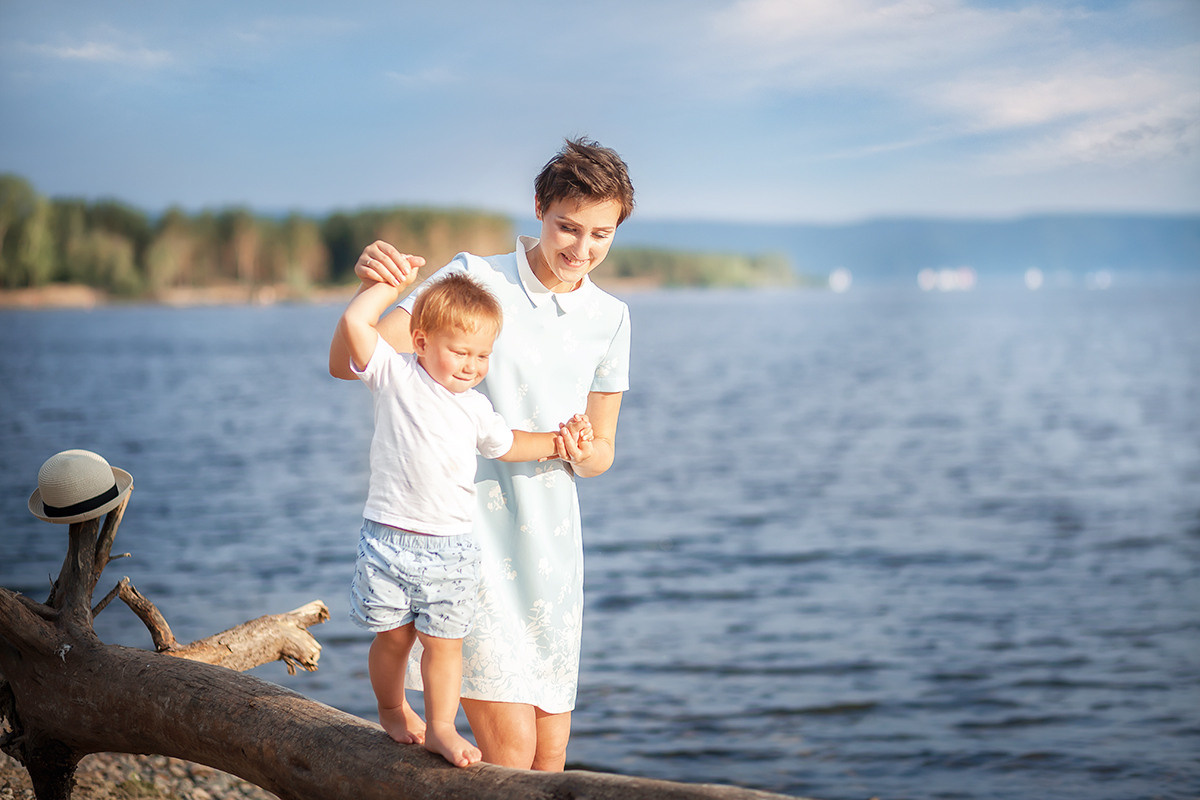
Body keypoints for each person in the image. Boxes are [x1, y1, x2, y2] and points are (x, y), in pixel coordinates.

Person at [329, 137, 634, 771]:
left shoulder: (611, 317)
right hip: (466, 539)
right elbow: (349, 363)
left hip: (551, 548)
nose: (582, 250)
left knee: (551, 760)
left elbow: (602, 452)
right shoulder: (474, 275)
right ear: (538, 209)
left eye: (600, 234)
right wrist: (375, 289)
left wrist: (578, 449)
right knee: (509, 760)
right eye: (567, 227)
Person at [339, 271, 593, 768]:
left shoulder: (476, 407)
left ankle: (439, 728)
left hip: (450, 549)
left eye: (483, 356)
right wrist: (386, 286)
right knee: (391, 637)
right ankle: (391, 709)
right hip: (387, 538)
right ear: (421, 341)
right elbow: (355, 320)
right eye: (460, 352)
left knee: (445, 646)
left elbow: (512, 444)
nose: (473, 366)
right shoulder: (393, 374)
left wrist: (562, 444)